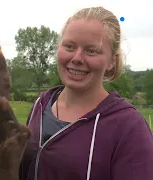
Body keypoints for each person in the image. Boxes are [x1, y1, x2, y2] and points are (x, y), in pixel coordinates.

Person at [19, 6, 153, 180]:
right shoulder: (41, 105)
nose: (77, 58)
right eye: (69, 46)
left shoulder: (129, 127)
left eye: (91, 50)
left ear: (112, 61)